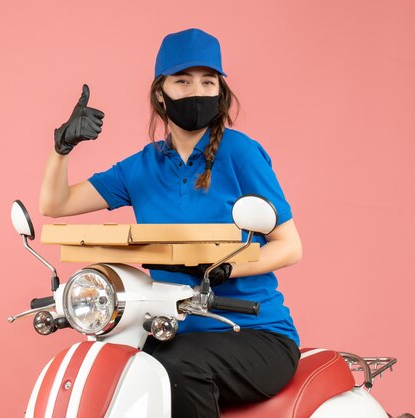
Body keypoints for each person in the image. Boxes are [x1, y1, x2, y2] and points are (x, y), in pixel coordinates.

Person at [39, 28, 302, 418]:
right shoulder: (143, 166)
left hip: (253, 333)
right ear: (160, 93)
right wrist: (62, 149)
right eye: (183, 81)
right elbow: (55, 204)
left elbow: (290, 245)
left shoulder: (240, 153)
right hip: (170, 329)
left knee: (176, 367)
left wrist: (222, 268)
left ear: (220, 92)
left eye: (208, 81)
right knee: (113, 365)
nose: (197, 91)